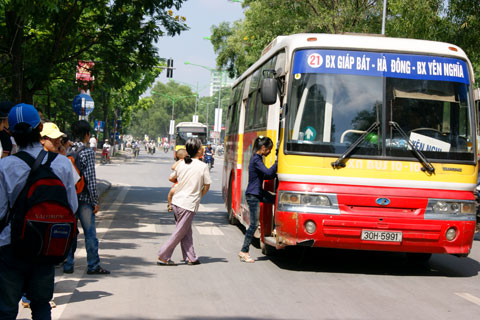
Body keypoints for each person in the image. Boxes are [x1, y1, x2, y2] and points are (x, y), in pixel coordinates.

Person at [0, 103, 78, 319]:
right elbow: (72, 207)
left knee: (6, 310)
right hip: (46, 245)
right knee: (42, 305)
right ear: (39, 128)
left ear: (12, 132)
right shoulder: (62, 164)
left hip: (11, 246)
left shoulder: (5, 166)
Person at [63, 120, 110, 275]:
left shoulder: (68, 149)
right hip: (84, 199)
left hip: (69, 198)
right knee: (90, 234)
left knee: (70, 232)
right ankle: (93, 265)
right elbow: (90, 177)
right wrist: (95, 201)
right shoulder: (87, 152)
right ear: (87, 134)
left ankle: (68, 264)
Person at [157, 138, 211, 266]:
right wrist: (199, 196)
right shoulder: (202, 166)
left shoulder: (182, 163)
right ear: (198, 150)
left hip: (176, 202)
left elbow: (172, 177)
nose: (203, 148)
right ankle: (163, 255)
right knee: (180, 232)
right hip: (188, 204)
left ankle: (190, 257)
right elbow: (207, 186)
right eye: (201, 146)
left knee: (186, 231)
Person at [238, 136, 277, 263]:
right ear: (263, 148)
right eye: (269, 149)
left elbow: (266, 175)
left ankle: (277, 228)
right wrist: (277, 163)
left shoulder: (258, 158)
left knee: (277, 200)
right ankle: (244, 251)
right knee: (254, 224)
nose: (270, 151)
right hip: (253, 195)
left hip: (258, 193)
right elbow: (269, 173)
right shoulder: (256, 159)